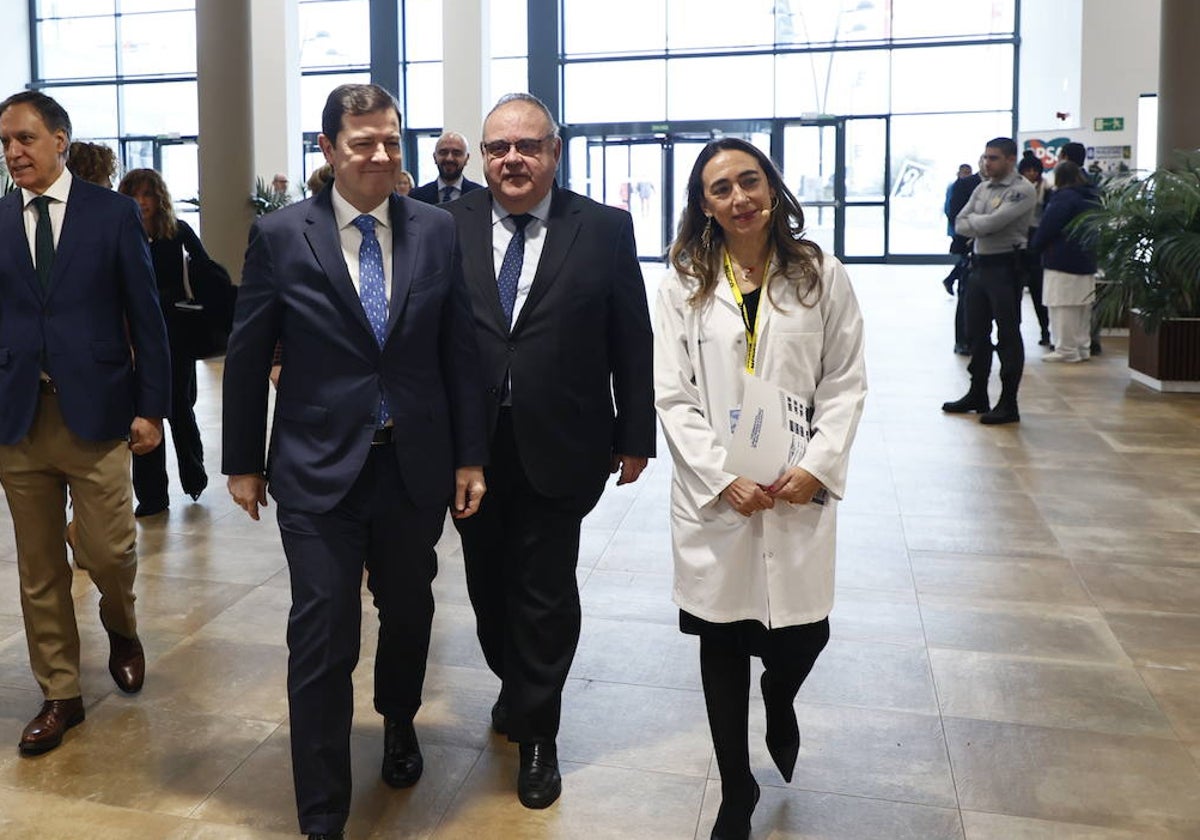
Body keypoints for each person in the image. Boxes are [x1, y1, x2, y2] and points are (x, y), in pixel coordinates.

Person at [222, 83, 487, 840]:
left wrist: (470, 455)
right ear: (329, 149)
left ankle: (398, 717)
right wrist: (243, 458)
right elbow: (246, 354)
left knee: (408, 611)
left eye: (391, 140)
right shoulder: (282, 236)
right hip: (313, 469)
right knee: (322, 629)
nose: (380, 154)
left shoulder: (436, 230)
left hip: (413, 467)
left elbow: (459, 351)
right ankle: (322, 812)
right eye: (363, 141)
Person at [443, 92, 655, 810]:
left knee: (545, 588)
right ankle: (517, 683)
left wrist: (635, 432)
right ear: (481, 155)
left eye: (527, 145)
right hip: (468, 447)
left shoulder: (602, 229)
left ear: (554, 152)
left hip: (564, 440)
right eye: (499, 147)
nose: (512, 159)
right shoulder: (447, 225)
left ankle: (539, 733)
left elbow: (632, 336)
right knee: (486, 587)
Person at [654, 138, 866, 840]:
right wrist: (722, 476)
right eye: (721, 189)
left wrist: (818, 466)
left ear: (772, 188)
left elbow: (844, 381)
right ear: (704, 205)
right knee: (720, 642)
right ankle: (736, 788)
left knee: (805, 634)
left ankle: (780, 694)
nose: (739, 197)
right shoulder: (683, 281)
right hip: (721, 497)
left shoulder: (819, 273)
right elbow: (673, 396)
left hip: (794, 485)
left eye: (750, 181)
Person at [0, 90, 170, 753]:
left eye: (25, 139)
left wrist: (151, 407)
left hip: (97, 411)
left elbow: (146, 315)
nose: (13, 152)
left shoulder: (113, 214)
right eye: (5, 142)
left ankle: (121, 625)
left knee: (107, 549)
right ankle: (60, 693)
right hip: (18, 418)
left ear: (61, 141)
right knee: (39, 566)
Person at [118, 168, 213, 515]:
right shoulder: (119, 232)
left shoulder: (177, 231)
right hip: (133, 334)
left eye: (148, 194)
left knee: (179, 408)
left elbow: (205, 272)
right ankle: (153, 496)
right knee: (145, 410)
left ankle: (194, 476)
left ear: (159, 198)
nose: (142, 202)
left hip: (176, 333)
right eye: (135, 194)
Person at [942, 137, 1035, 425]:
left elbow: (993, 224)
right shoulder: (982, 187)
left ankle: (1008, 402)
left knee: (1007, 334)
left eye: (993, 158)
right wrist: (981, 224)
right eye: (985, 157)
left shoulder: (1021, 190)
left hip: (1005, 268)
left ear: (1010, 159)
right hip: (979, 268)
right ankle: (977, 393)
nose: (986, 163)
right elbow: (960, 222)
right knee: (975, 333)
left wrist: (978, 224)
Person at [1031, 160, 1100, 362]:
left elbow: (1048, 226)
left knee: (1062, 305)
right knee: (1082, 306)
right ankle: (1082, 347)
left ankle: (1066, 349)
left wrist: (1035, 246)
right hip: (1086, 258)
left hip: (1062, 258)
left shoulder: (1063, 198)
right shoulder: (1091, 196)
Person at [944, 161, 981, 354]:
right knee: (966, 296)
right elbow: (957, 216)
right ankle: (963, 340)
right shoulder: (963, 186)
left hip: (993, 255)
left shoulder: (1015, 189)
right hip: (966, 243)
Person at [1017, 151, 1051, 346]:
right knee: (1014, 293)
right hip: (1018, 241)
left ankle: (1045, 330)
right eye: (1027, 170)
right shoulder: (1015, 189)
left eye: (1035, 170)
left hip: (1038, 243)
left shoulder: (1047, 188)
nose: (1031, 173)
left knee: (1039, 293)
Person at [408, 131, 484, 204]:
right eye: (443, 152)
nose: (449, 158)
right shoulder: (416, 197)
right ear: (435, 157)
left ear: (466, 158)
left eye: (456, 153)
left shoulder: (481, 196)